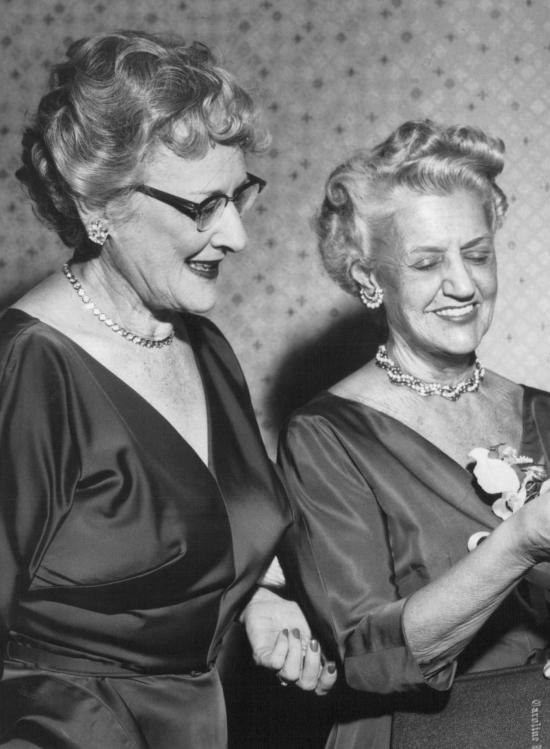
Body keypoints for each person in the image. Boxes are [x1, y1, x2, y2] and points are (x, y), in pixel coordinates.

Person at [269, 120, 550, 749]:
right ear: (371, 277)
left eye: (477, 254)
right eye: (426, 262)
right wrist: (519, 544)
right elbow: (369, 656)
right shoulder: (325, 436)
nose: (463, 284)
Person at [0, 30, 334, 749]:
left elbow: (206, 538)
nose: (238, 234)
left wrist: (257, 602)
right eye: (203, 205)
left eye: (240, 194)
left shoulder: (202, 343)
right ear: (104, 203)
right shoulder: (29, 369)